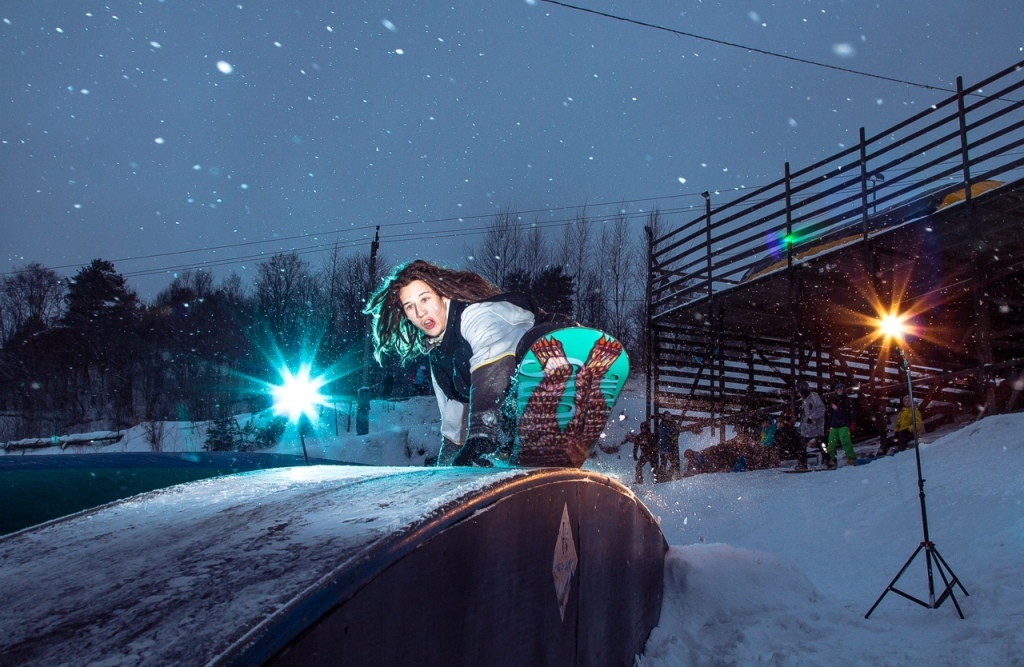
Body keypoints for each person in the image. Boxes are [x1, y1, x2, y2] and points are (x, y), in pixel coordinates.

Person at [364, 260, 561, 467]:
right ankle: (515, 441)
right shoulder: (439, 358)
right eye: (410, 307)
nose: (421, 313)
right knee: (470, 388)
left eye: (425, 299)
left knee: (493, 372)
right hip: (515, 397)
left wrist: (480, 439)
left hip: (553, 341)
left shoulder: (474, 315)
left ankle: (560, 378)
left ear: (443, 296)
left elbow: (493, 371)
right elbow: (453, 426)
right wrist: (447, 473)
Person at [825, 381, 858, 468]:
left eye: (840, 388)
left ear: (843, 390)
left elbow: (852, 413)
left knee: (845, 442)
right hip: (834, 425)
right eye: (837, 388)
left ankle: (851, 459)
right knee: (831, 445)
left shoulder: (848, 400)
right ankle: (833, 460)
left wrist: (853, 423)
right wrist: (828, 426)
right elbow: (830, 414)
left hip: (844, 424)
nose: (839, 390)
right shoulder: (833, 401)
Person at [796, 381, 825, 470]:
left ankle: (827, 460)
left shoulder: (814, 398)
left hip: (816, 428)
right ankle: (802, 464)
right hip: (807, 430)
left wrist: (812, 418)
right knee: (801, 446)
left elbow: (822, 409)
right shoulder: (805, 401)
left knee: (822, 445)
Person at [657, 411, 681, 481]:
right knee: (673, 463)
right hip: (665, 447)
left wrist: (673, 437)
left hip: (668, 447)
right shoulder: (664, 424)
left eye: (669, 416)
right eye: (667, 416)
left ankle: (664, 476)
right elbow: (666, 435)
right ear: (664, 417)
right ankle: (666, 476)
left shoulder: (670, 423)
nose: (668, 417)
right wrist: (672, 437)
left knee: (666, 463)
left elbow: (676, 433)